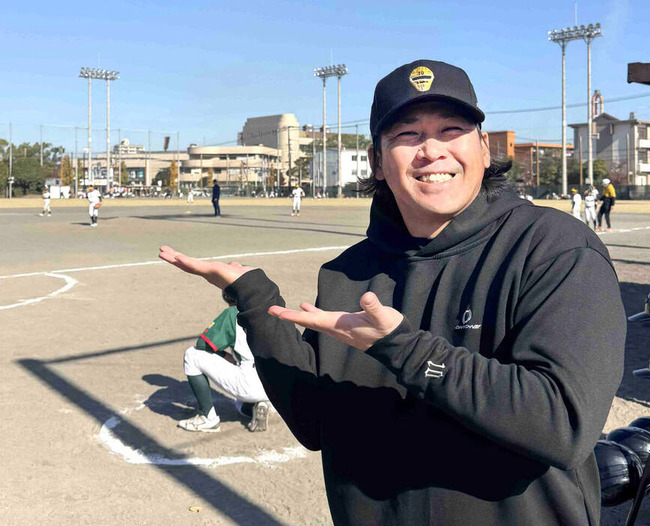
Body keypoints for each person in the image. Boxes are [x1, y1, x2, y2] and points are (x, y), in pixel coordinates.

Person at [159, 60, 625, 525]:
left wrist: (404, 349)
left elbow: (563, 424)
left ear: (484, 148)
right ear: (377, 162)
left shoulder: (552, 248)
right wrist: (255, 301)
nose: (432, 150)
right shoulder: (348, 274)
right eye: (407, 134)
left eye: (451, 129)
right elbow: (315, 421)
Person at [178, 290, 270, 433]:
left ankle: (208, 418)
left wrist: (225, 355)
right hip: (274, 385)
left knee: (192, 355)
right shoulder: (268, 310)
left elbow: (202, 345)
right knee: (241, 403)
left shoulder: (233, 313)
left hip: (248, 383)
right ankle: (255, 404)